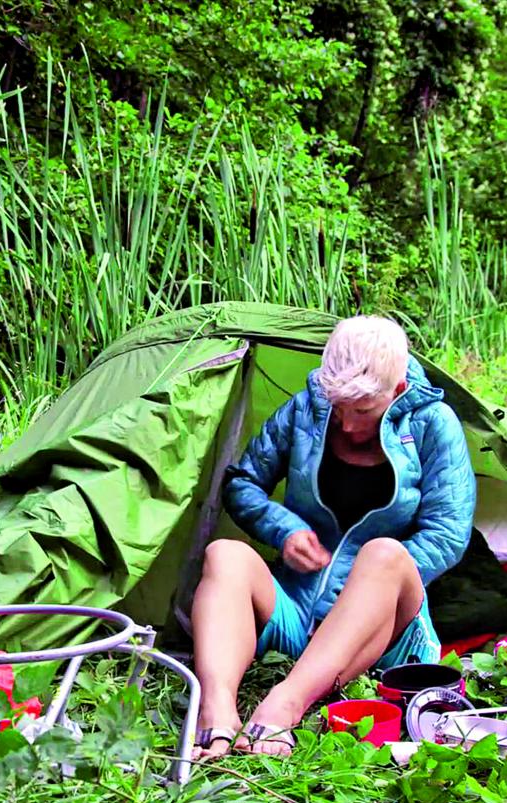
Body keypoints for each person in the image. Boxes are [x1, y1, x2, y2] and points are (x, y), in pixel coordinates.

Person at [191, 315, 476, 758]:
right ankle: (217, 708)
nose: (344, 424)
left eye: (361, 410)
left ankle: (282, 708)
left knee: (382, 554)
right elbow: (242, 483)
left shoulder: (432, 424)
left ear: (396, 392)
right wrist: (284, 530)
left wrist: (357, 591)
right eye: (337, 404)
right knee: (224, 554)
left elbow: (447, 535)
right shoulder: (308, 407)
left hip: (377, 630)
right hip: (296, 606)